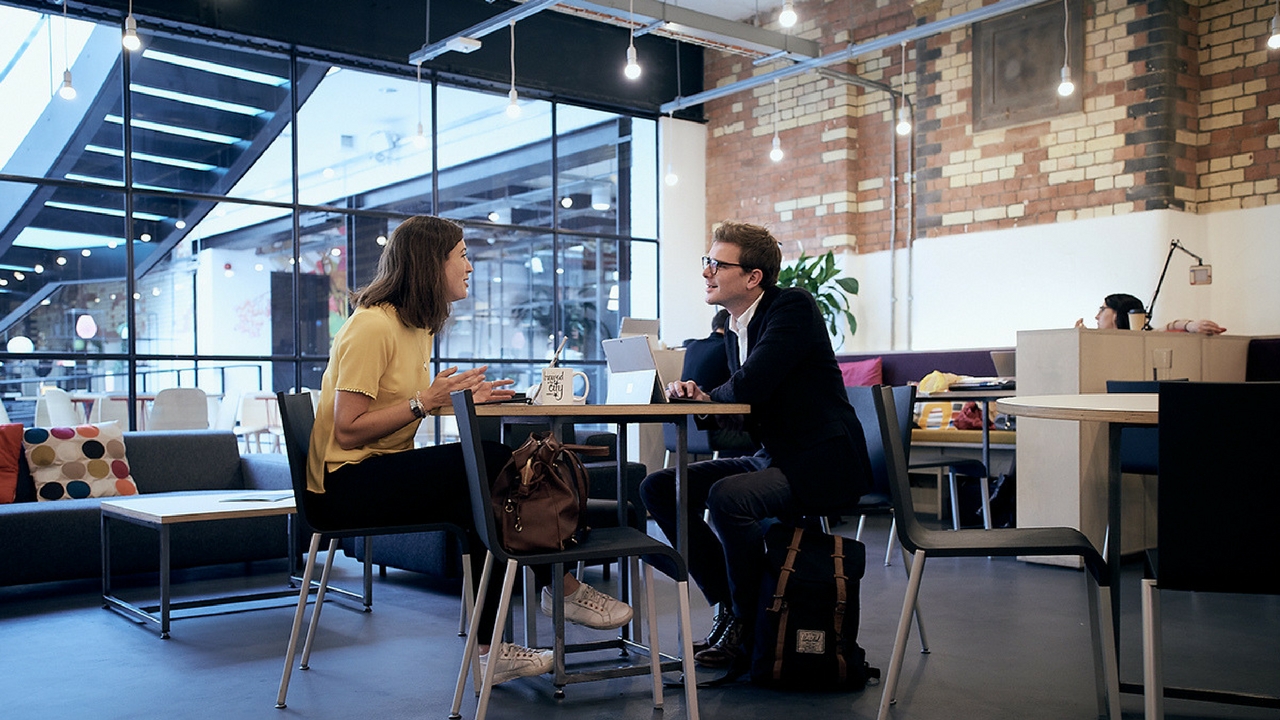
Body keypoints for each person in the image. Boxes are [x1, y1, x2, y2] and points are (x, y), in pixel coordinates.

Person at [306, 215, 630, 686]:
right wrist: (427, 401)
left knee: (479, 502)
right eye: (462, 256)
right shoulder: (371, 327)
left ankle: (489, 651)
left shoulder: (415, 326)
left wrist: (461, 400)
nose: (470, 266)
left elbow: (402, 404)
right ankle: (561, 587)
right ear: (429, 264)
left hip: (378, 469)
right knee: (492, 463)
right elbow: (349, 429)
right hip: (342, 484)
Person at [639, 221, 874, 672]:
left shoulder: (793, 308)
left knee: (729, 496)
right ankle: (732, 607)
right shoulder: (733, 325)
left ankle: (748, 623)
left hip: (822, 459)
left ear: (753, 277)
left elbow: (753, 384)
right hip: (777, 454)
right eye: (706, 262)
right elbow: (742, 406)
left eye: (717, 264)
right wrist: (697, 397)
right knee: (660, 488)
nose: (706, 272)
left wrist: (711, 397)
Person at [679, 309, 758, 457]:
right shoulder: (727, 349)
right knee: (762, 436)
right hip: (714, 430)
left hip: (685, 431)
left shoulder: (692, 347)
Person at [1075, 293, 1226, 334]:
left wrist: (1190, 325)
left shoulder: (1143, 338)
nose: (1097, 316)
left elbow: (1166, 329)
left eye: (1102, 309)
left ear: (1117, 314)